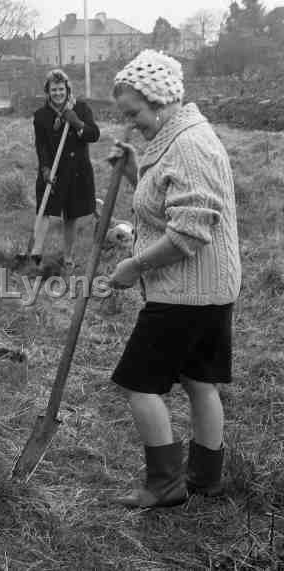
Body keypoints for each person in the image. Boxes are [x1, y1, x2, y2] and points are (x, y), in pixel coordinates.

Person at [106, 50, 241, 508]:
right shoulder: (177, 135)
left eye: (134, 113)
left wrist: (135, 266)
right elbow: (164, 203)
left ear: (159, 100)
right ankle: (206, 477)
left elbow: (191, 230)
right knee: (199, 380)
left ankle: (165, 485)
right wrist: (130, 170)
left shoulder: (188, 143)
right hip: (207, 289)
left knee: (138, 382)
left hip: (186, 293)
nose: (131, 123)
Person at [31, 69, 100, 271]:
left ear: (67, 89)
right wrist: (45, 169)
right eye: (54, 90)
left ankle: (68, 257)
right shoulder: (41, 116)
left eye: (61, 89)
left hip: (77, 170)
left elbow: (94, 135)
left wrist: (76, 122)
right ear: (48, 91)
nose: (58, 93)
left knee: (71, 215)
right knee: (43, 211)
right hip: (52, 169)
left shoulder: (81, 108)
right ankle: (35, 254)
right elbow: (41, 145)